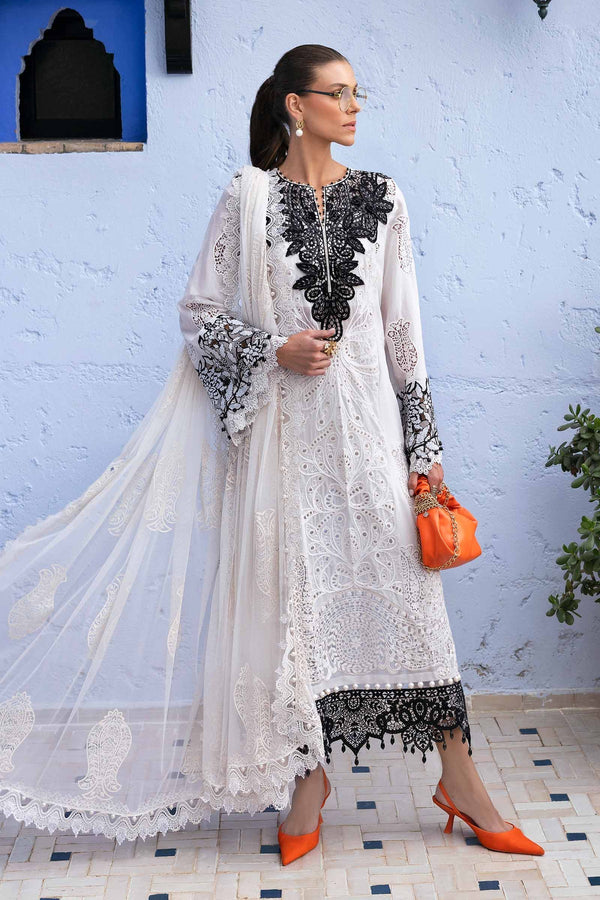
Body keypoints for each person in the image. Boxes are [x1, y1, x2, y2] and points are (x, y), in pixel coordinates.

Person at [0, 43, 543, 862]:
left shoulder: (384, 197)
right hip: (285, 446)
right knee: (297, 613)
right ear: (297, 105)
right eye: (339, 93)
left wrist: (423, 449)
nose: (354, 107)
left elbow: (403, 332)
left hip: (369, 436)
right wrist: (272, 350)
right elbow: (198, 315)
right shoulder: (247, 198)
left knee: (413, 603)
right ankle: (308, 783)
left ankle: (459, 779)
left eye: (358, 93)